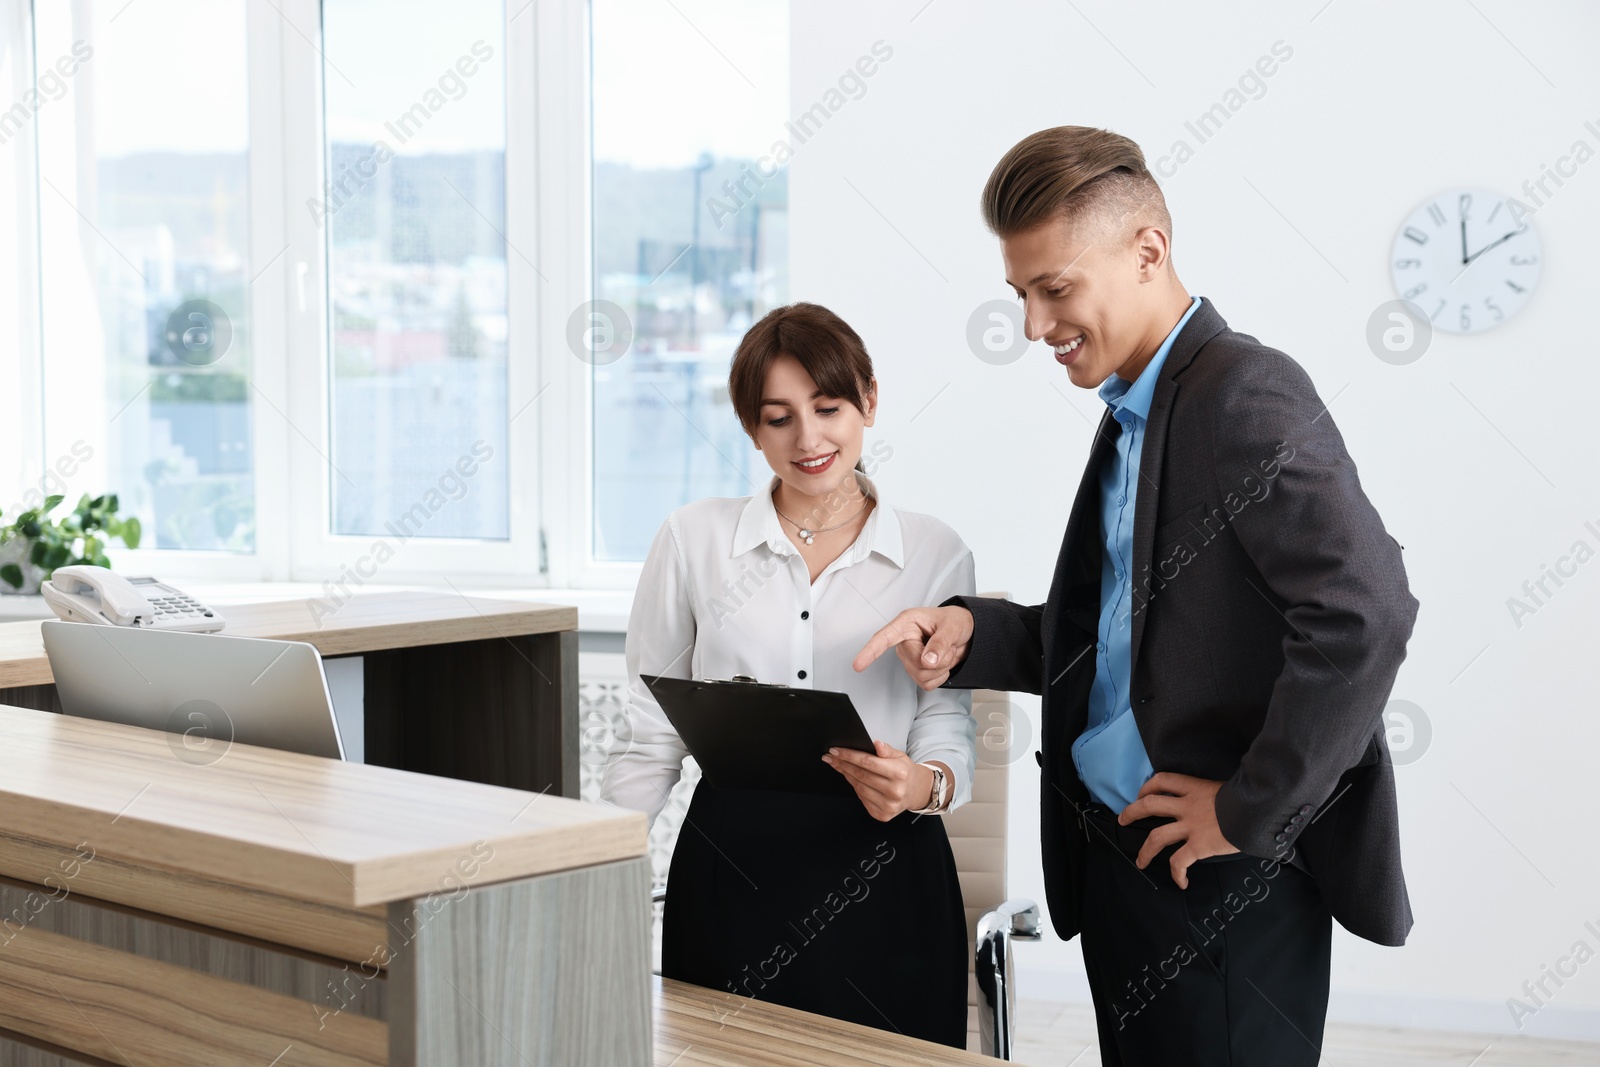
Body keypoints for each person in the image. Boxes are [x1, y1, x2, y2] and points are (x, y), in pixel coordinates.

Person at [855, 126, 1420, 1065]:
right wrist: (972, 632)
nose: (1034, 325)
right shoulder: (1136, 413)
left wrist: (1246, 809)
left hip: (1218, 882)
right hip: (1128, 864)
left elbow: (1368, 611)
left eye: (1055, 289)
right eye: (1021, 295)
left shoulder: (1245, 392)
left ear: (1148, 251)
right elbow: (1122, 636)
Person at [602, 301, 977, 1048]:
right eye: (778, 418)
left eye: (829, 407)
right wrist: (591, 863)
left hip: (884, 864)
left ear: (869, 399)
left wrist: (925, 784)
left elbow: (944, 718)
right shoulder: (693, 539)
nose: (808, 438)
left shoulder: (937, 551)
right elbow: (651, 733)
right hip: (734, 868)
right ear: (750, 426)